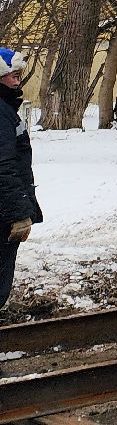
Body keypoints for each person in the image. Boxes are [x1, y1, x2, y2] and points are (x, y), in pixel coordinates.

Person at [0, 48, 42, 314]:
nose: (17, 82)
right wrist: (18, 214)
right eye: (12, 76)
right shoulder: (2, 113)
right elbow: (3, 165)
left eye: (18, 76)